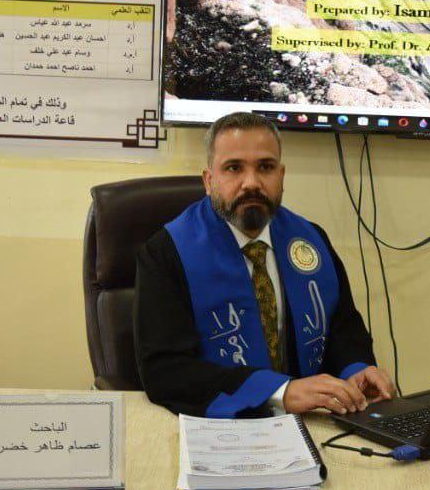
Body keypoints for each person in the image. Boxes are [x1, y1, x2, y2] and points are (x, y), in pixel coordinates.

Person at [134, 111, 398, 418]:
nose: (252, 183)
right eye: (234, 168)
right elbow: (165, 370)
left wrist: (356, 370)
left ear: (281, 176)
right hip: (218, 427)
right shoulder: (166, 252)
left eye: (265, 167)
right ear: (209, 180)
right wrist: (279, 392)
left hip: (311, 421)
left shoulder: (311, 240)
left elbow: (343, 328)